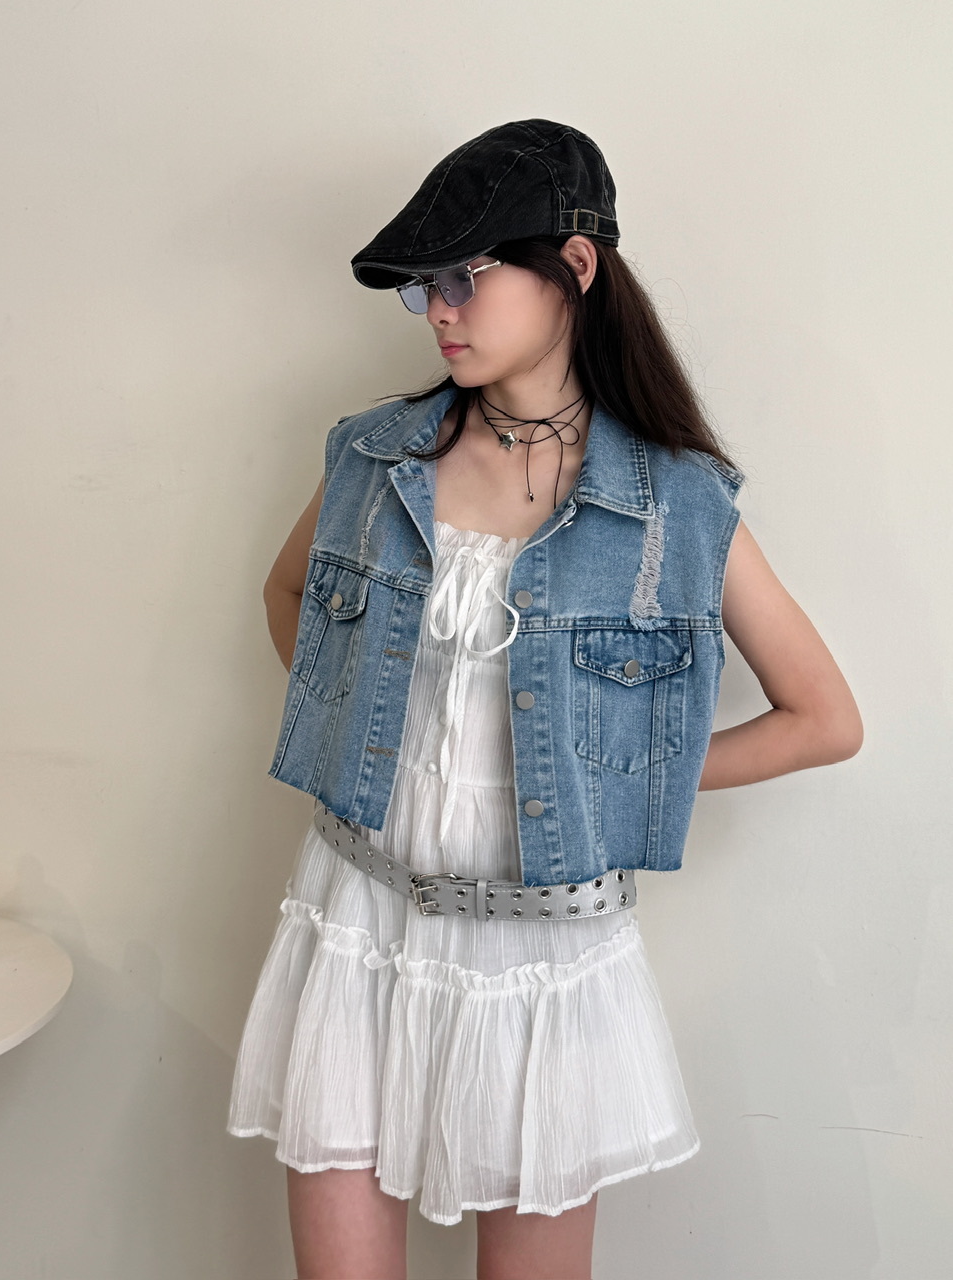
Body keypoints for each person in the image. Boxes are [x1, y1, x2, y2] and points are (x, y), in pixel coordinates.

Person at [227, 119, 863, 1280]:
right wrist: (360, 719)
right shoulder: (375, 460)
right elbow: (287, 594)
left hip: (543, 961)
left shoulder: (673, 505)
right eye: (424, 287)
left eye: (464, 276)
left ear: (574, 265)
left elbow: (824, 718)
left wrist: (626, 779)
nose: (439, 311)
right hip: (355, 925)